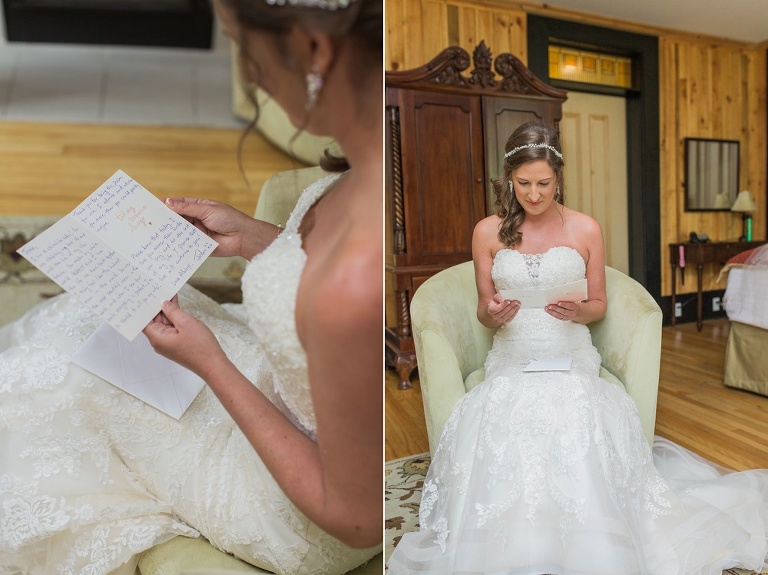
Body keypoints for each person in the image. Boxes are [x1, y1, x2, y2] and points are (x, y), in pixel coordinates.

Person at [0, 1, 382, 574]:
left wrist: (210, 362)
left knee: (63, 377)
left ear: (312, 50)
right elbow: (325, 275)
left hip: (288, 504)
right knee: (84, 322)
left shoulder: (353, 279)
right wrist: (257, 238)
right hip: (286, 391)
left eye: (242, 47)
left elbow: (357, 516)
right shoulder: (368, 174)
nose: (249, 77)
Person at [387, 120, 768, 574]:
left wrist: (578, 311)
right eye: (523, 184)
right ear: (509, 179)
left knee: (571, 406)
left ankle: (587, 536)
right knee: (503, 410)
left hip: (568, 349)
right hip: (512, 353)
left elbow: (601, 305)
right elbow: (482, 311)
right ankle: (521, 538)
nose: (533, 195)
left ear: (558, 178)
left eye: (543, 184)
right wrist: (496, 314)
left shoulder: (586, 228)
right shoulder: (488, 231)